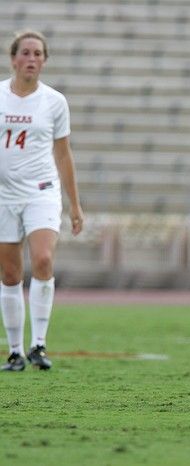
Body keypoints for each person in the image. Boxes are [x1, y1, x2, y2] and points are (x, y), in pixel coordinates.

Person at [0, 30, 84, 371]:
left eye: (38, 54)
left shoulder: (54, 102)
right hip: (4, 194)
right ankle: (16, 351)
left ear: (44, 60)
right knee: (9, 273)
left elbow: (63, 155)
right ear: (13, 58)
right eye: (26, 53)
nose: (32, 59)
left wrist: (75, 205)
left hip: (42, 191)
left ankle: (39, 345)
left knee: (44, 259)